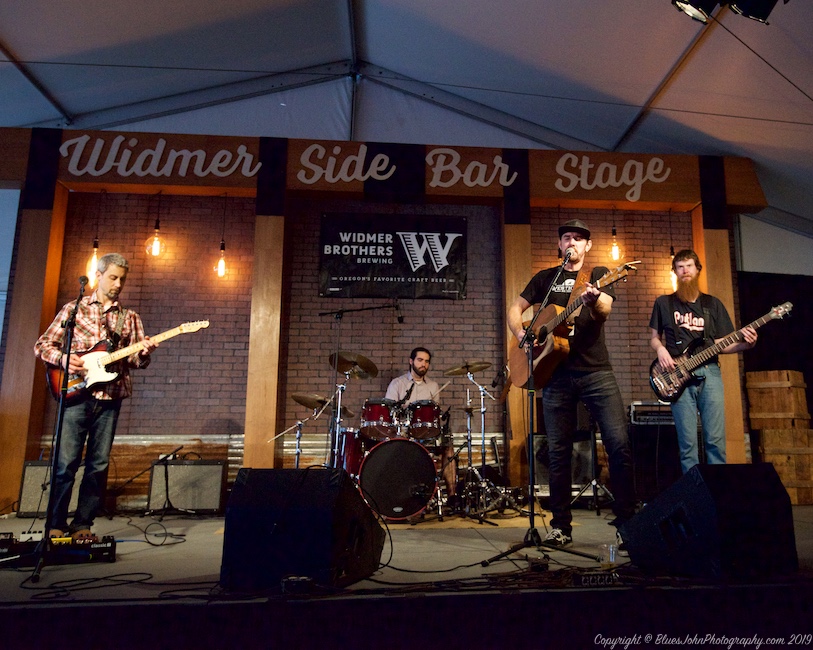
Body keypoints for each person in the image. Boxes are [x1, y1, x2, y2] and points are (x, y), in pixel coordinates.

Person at [507, 219, 636, 548]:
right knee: (558, 452)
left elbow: (605, 308)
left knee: (618, 444)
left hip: (596, 371)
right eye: (567, 237)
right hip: (555, 374)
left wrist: (594, 301)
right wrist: (523, 334)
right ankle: (561, 526)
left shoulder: (596, 276)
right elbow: (515, 309)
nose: (573, 243)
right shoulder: (545, 279)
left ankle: (628, 525)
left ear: (587, 246)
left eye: (579, 239)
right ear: (560, 244)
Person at [34, 253, 157, 540]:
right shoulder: (73, 309)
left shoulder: (130, 318)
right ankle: (55, 524)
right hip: (75, 394)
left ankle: (82, 525)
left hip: (110, 397)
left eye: (122, 280)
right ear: (98, 275)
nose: (118, 284)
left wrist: (144, 353)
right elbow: (43, 345)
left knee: (98, 465)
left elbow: (136, 362)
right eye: (113, 277)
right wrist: (64, 360)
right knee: (66, 463)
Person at [649, 249, 757, 474]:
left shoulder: (712, 305)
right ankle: (693, 497)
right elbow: (653, 337)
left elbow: (723, 343)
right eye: (680, 267)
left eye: (689, 266)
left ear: (698, 269)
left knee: (715, 440)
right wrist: (660, 349)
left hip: (710, 374)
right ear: (675, 272)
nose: (685, 271)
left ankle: (717, 494)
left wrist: (747, 345)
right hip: (677, 376)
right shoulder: (664, 303)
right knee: (687, 444)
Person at [385, 347, 460, 513]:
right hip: (404, 434)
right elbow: (389, 412)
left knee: (448, 448)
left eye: (426, 361)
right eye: (420, 360)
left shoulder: (433, 386)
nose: (423, 364)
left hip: (427, 434)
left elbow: (433, 415)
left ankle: (452, 496)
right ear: (411, 361)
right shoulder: (397, 384)